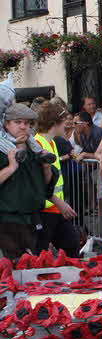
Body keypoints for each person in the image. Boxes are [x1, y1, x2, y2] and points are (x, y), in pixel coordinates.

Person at [0, 104, 56, 259]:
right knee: (15, 269)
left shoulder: (35, 149)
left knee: (34, 268)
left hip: (34, 219)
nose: (23, 127)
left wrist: (46, 168)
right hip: (8, 221)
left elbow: (47, 185)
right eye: (18, 122)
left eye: (26, 123)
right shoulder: (2, 150)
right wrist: (11, 167)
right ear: (6, 124)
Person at [34, 102, 80, 257]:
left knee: (72, 245)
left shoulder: (51, 142)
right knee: (39, 252)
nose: (67, 126)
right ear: (54, 124)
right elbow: (39, 181)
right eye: (64, 122)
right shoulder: (37, 145)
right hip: (44, 210)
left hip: (56, 208)